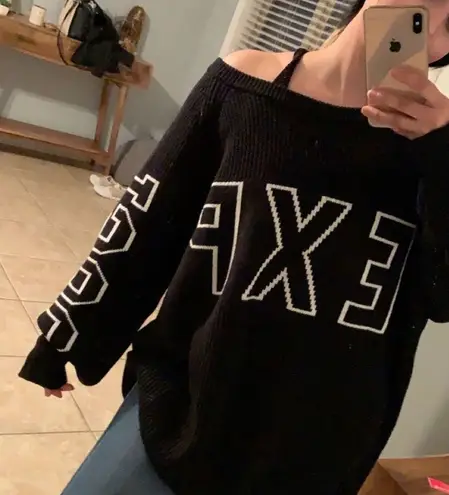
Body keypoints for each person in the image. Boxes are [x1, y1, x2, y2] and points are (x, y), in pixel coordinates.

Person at [18, 0, 449, 492]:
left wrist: (441, 156)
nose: (433, 20)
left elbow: (442, 296)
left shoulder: (436, 147)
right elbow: (149, 222)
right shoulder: (241, 85)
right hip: (185, 401)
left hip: (318, 449)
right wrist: (64, 336)